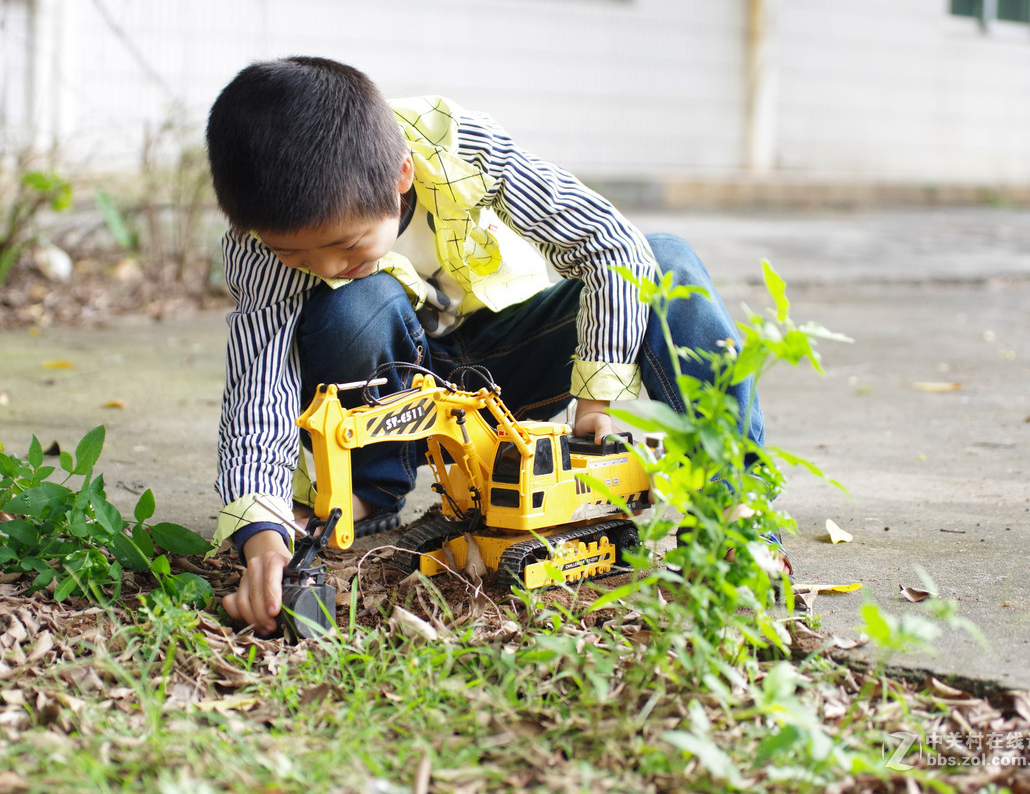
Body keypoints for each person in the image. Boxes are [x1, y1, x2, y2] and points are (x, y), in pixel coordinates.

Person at [205, 56, 766, 635]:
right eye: (294, 256)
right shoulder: (258, 243)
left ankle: (735, 508)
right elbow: (259, 382)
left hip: (503, 364)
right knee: (353, 305)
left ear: (401, 178)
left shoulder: (458, 146)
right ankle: (371, 488)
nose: (325, 267)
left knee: (666, 258)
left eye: (345, 245)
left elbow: (607, 244)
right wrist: (262, 533)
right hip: (388, 385)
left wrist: (596, 402)